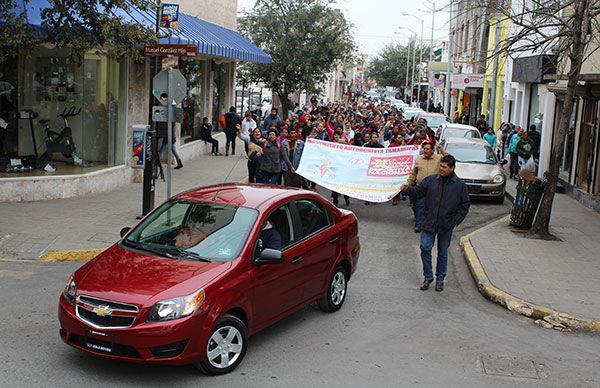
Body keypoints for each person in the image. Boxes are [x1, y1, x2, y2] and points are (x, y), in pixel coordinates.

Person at [401, 155, 470, 292]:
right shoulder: (431, 180)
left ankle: (440, 279)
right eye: (440, 166)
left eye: (444, 167)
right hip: (429, 222)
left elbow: (465, 205)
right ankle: (428, 276)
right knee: (425, 247)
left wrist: (455, 221)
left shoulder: (460, 186)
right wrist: (407, 189)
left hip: (446, 224)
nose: (441, 169)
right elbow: (419, 192)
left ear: (452, 168)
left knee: (442, 252)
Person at [405, 142, 446, 231]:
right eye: (424, 149)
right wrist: (408, 184)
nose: (425, 151)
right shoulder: (419, 159)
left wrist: (442, 150)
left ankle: (432, 223)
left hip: (435, 188)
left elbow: (450, 159)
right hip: (420, 187)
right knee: (419, 206)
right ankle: (419, 225)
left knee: (433, 206)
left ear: (432, 150)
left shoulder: (439, 158)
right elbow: (413, 173)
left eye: (428, 149)